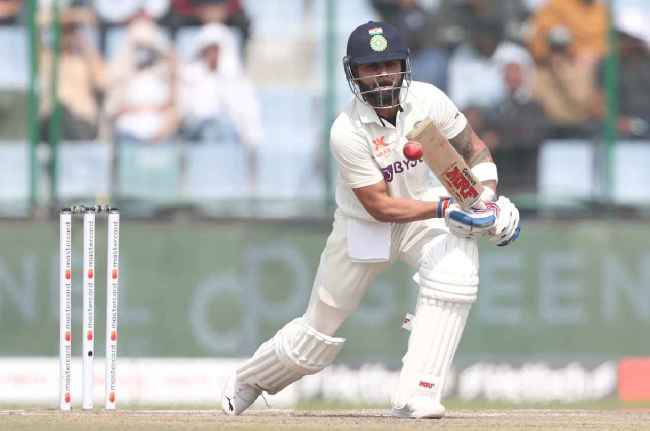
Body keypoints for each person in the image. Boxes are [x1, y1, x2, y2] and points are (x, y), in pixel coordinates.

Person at [221, 21, 520, 419]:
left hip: (418, 215)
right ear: (354, 73)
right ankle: (251, 378)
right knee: (315, 338)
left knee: (457, 268)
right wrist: (448, 209)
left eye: (390, 64)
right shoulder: (346, 131)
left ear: (403, 65)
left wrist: (487, 201)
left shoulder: (428, 100)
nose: (382, 75)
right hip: (363, 227)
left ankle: (417, 394)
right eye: (371, 67)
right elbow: (380, 206)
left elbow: (473, 149)